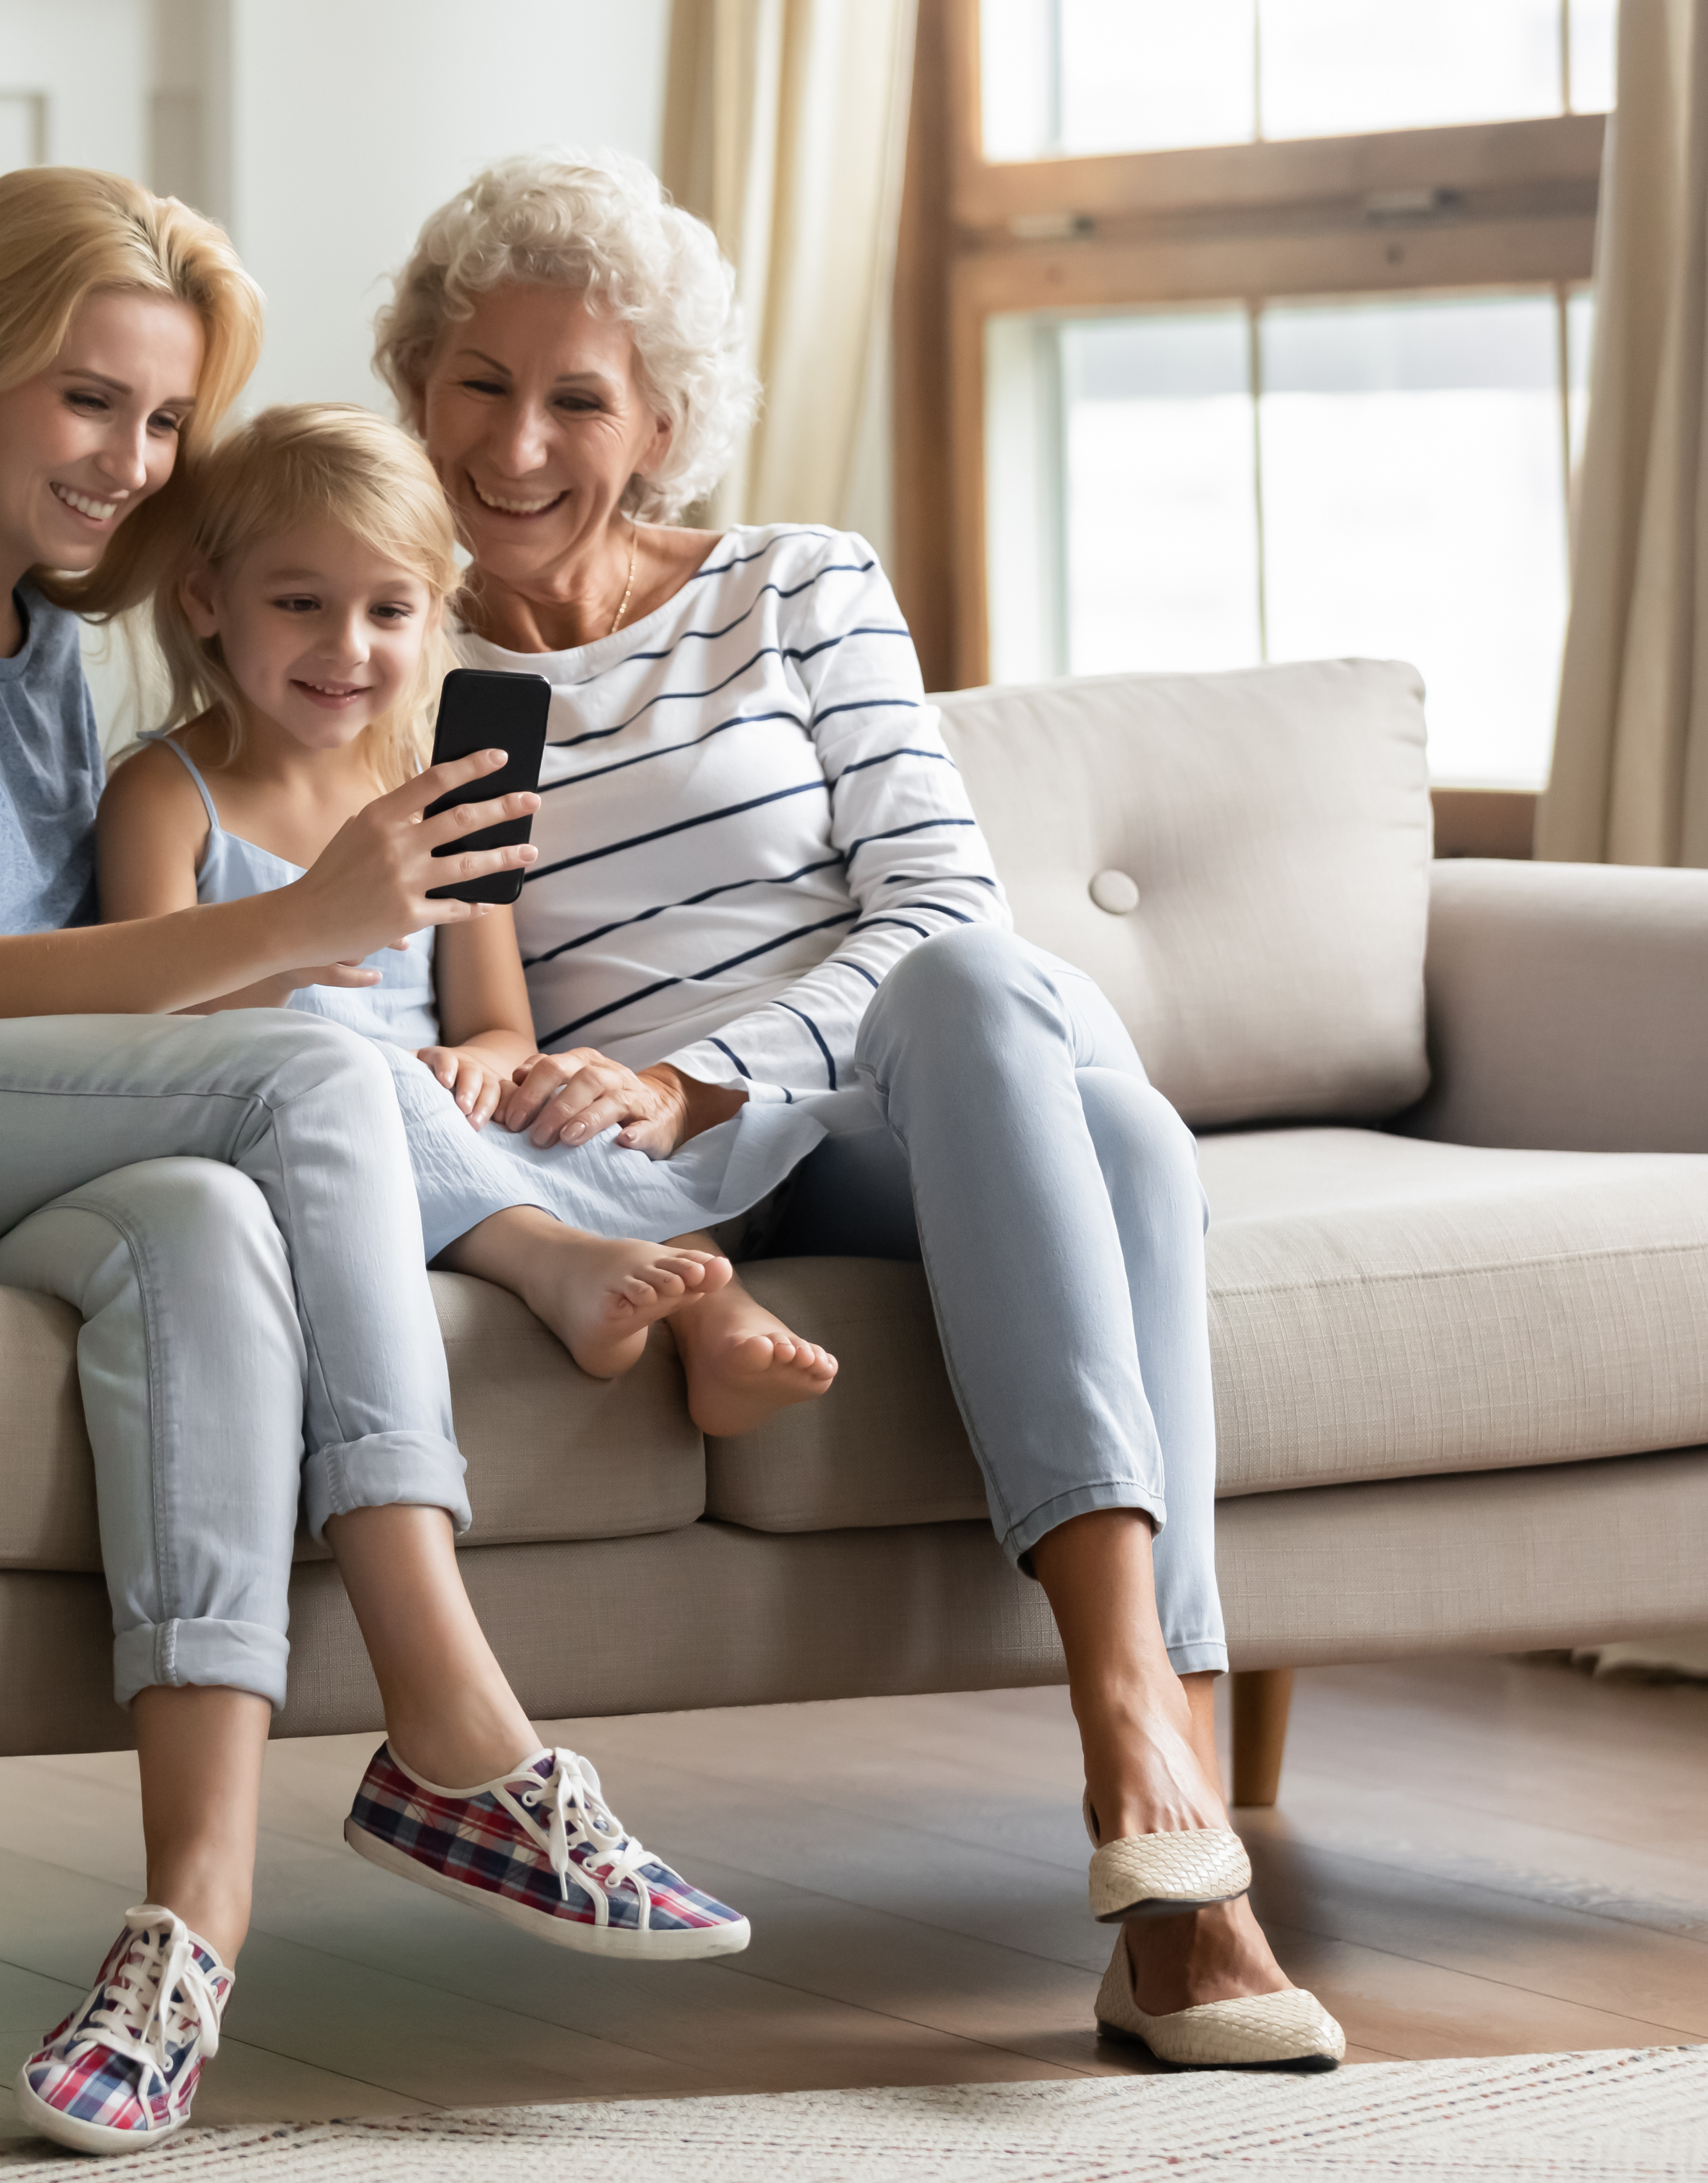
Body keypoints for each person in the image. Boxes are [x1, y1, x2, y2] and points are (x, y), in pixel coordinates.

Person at [0, 168, 753, 2159]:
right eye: (86, 402)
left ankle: (186, 1924)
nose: (130, 462)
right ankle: (458, 1719)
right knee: (300, 1070)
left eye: (160, 422)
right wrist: (310, 921)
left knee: (208, 1225)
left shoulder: (42, 642)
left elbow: (68, 1020)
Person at [371, 146, 1346, 2072]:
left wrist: (702, 1065)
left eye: (578, 394)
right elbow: (436, 989)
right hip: (674, 1170)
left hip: (905, 1098)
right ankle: (1172, 1858)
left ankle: (1136, 1750)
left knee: (983, 993)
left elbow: (941, 908)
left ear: (657, 421)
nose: (519, 440)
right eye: (479, 381)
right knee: (1136, 1150)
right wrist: (633, 1106)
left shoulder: (794, 587)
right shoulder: (417, 667)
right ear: (414, 387)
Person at [98, 400, 842, 1420]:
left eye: (389, 612)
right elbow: (146, 1032)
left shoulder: (446, 789)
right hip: (276, 1133)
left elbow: (501, 1024)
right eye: (299, 603)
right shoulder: (163, 793)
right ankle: (553, 1266)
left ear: (436, 610)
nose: (346, 647)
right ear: (206, 600)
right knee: (361, 1083)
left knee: (573, 1106)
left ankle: (718, 1318)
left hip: (440, 1116)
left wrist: (487, 1066)